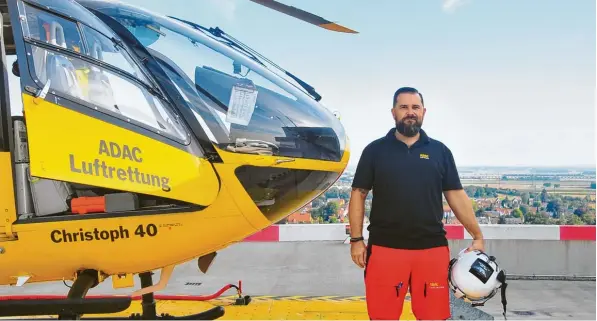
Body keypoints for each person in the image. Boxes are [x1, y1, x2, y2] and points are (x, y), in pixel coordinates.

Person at [348, 86, 484, 320]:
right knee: (382, 317)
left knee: (433, 316)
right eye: (404, 107)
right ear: (393, 112)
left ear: (423, 112)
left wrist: (477, 235)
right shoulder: (374, 151)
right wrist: (356, 240)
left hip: (431, 251)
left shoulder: (440, 151)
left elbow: (456, 195)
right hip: (385, 250)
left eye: (415, 107)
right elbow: (358, 194)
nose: (410, 112)